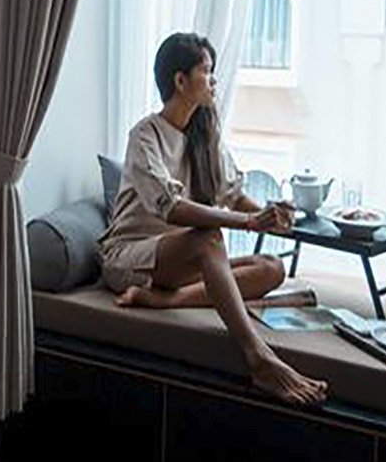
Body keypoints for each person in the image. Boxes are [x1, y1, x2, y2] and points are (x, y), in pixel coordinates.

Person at [98, 33, 328, 405]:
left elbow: (233, 195)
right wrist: (248, 223)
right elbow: (171, 208)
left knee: (272, 267)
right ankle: (259, 357)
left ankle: (167, 300)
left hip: (177, 263)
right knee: (209, 239)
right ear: (180, 80)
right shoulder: (145, 135)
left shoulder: (203, 136)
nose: (214, 80)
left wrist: (268, 215)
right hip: (131, 257)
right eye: (206, 71)